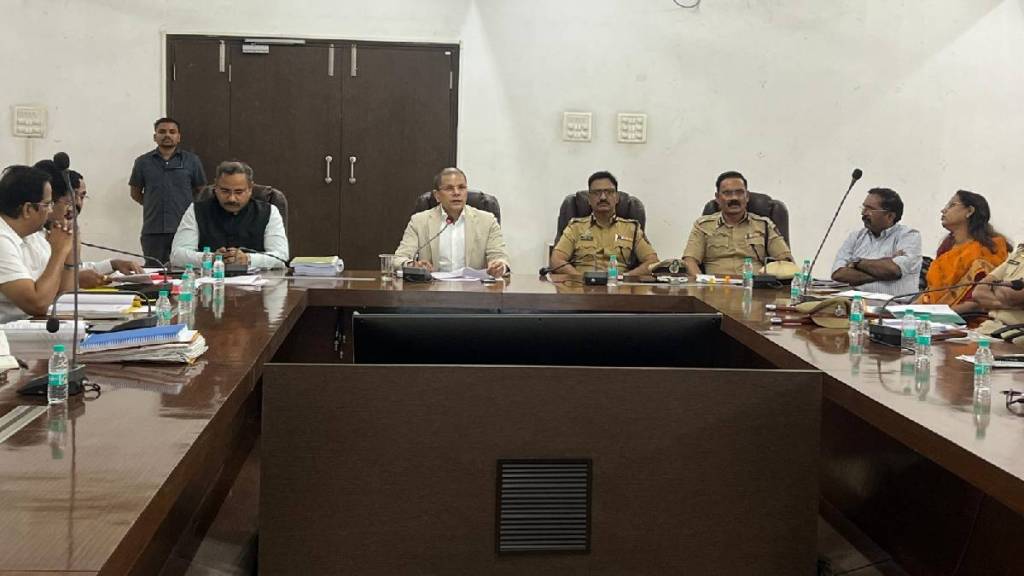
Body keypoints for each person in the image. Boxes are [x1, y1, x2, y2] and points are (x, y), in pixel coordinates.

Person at [35, 165, 145, 288]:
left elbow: (77, 269)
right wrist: (76, 279)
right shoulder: (34, 238)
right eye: (70, 199)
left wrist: (113, 264)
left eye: (81, 197)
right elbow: (37, 283)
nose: (77, 204)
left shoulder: (58, 231)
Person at [170, 161, 288, 270]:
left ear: (250, 189)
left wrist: (248, 259)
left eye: (239, 192)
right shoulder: (196, 210)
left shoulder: (269, 212)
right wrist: (211, 258)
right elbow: (176, 255)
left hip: (260, 282)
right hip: (208, 281)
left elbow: (281, 257)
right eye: (225, 191)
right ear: (215, 187)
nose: (232, 198)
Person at [393, 167, 510, 277]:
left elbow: (500, 257)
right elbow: (398, 259)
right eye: (449, 188)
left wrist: (499, 266)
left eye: (461, 187)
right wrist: (413, 265)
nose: (456, 193)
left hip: (474, 289)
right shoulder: (419, 221)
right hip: (433, 288)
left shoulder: (487, 221)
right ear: (437, 195)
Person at [0, 165, 75, 322]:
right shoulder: (2, 241)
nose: (50, 211)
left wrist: (69, 255)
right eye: (47, 205)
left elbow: (63, 296)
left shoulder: (32, 236)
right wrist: (59, 252)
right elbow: (37, 304)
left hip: (30, 327)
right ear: (28, 209)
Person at [682, 171, 792, 277]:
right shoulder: (703, 226)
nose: (734, 198)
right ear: (718, 198)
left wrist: (767, 277)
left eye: (739, 193)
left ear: (747, 196)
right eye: (727, 193)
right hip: (715, 286)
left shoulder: (764, 225)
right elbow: (689, 260)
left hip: (754, 286)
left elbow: (785, 260)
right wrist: (701, 282)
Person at [129, 117, 207, 265]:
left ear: (179, 137)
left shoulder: (192, 161)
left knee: (185, 269)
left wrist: (185, 205)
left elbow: (201, 190)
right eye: (162, 131)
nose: (167, 135)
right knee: (155, 270)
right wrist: (152, 203)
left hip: (184, 228)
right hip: (153, 229)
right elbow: (135, 192)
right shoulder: (142, 162)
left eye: (172, 132)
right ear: (155, 136)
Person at [550, 171, 658, 275]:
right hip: (582, 285)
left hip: (619, 285)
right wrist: (581, 279)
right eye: (597, 193)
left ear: (617, 198)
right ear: (589, 199)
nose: (603, 197)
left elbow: (652, 262)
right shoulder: (575, 228)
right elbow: (556, 260)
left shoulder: (631, 229)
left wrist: (626, 278)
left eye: (609, 192)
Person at [915, 190, 1008, 311]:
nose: (943, 210)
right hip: (934, 314)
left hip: (969, 318)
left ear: (969, 211)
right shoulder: (947, 247)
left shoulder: (989, 247)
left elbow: (979, 301)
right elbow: (931, 291)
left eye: (952, 205)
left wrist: (942, 314)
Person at [831, 188, 922, 297]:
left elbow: (893, 271)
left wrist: (856, 262)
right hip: (856, 302)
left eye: (870, 209)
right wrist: (882, 272)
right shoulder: (856, 236)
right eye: (863, 208)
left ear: (890, 216)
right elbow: (838, 274)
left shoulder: (909, 236)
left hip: (895, 304)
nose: (863, 213)